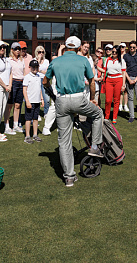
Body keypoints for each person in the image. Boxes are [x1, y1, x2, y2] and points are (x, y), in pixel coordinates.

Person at [44, 36, 103, 187]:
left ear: (65, 47)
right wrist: (92, 99)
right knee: (98, 114)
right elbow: (91, 82)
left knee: (64, 141)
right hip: (79, 98)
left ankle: (69, 177)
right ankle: (95, 146)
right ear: (78, 48)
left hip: (62, 100)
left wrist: (52, 95)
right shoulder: (83, 60)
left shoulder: (55, 61)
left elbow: (45, 81)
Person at [3, 42, 25, 134]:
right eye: (15, 49)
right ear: (12, 50)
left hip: (21, 83)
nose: (18, 51)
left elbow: (23, 73)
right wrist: (9, 85)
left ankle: (15, 125)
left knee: (18, 105)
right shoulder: (8, 60)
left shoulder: (21, 60)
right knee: (9, 105)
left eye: (19, 49)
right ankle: (7, 126)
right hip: (13, 83)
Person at [103, 46, 126, 123]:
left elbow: (123, 73)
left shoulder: (122, 61)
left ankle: (114, 117)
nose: (114, 53)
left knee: (116, 100)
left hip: (118, 80)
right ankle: (107, 116)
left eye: (116, 52)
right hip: (109, 79)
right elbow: (104, 70)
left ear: (118, 53)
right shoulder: (107, 60)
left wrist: (123, 85)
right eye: (113, 52)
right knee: (108, 100)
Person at [123, 40, 137, 123]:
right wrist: (129, 79)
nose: (132, 48)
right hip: (129, 78)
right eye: (130, 47)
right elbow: (124, 69)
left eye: (133, 47)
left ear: (136, 47)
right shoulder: (125, 56)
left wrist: (136, 79)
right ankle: (131, 116)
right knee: (130, 98)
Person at [23, 59, 43, 144]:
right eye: (33, 67)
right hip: (30, 101)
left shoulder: (39, 77)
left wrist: (42, 99)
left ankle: (35, 135)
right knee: (28, 119)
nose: (35, 69)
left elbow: (40, 89)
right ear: (30, 67)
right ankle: (27, 136)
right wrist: (27, 101)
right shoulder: (27, 77)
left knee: (35, 118)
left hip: (37, 101)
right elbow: (24, 90)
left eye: (36, 67)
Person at [35, 45, 50, 118]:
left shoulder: (46, 61)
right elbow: (34, 69)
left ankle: (46, 112)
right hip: (36, 80)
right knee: (36, 98)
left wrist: (39, 70)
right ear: (36, 52)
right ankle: (36, 114)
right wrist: (38, 60)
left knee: (47, 98)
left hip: (44, 80)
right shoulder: (34, 60)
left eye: (42, 52)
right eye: (39, 52)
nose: (41, 53)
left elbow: (48, 72)